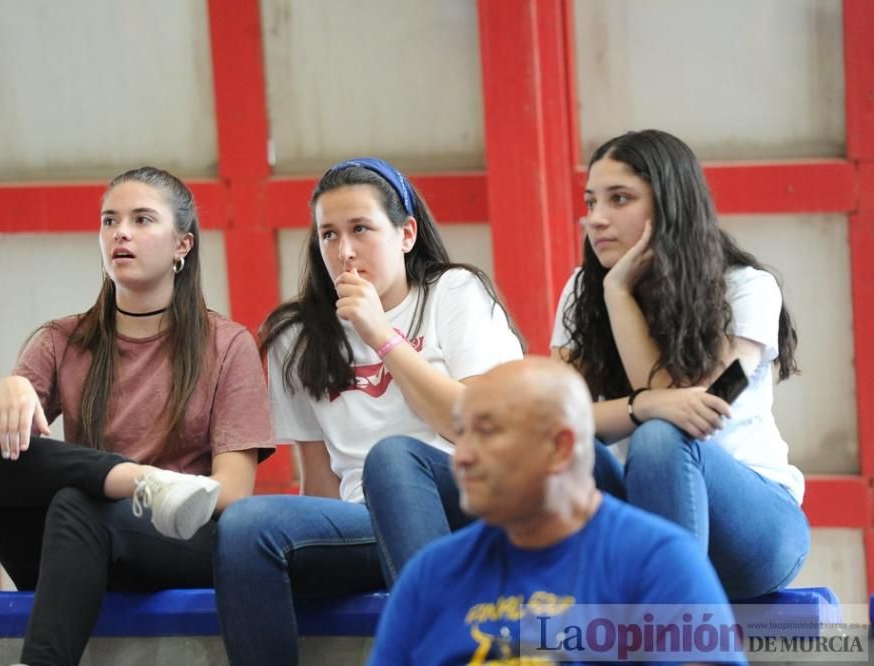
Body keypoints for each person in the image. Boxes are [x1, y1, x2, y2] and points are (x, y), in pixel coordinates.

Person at [0, 166, 274, 666]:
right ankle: (135, 479)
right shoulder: (60, 339)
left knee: (77, 502)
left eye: (141, 219)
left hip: (180, 546)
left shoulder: (227, 343)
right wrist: (11, 388)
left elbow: (235, 492)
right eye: (109, 220)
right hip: (75, 551)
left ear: (183, 245)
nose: (121, 232)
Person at [213, 157, 523, 665]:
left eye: (361, 229)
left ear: (406, 234)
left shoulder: (453, 293)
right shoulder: (296, 336)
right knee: (245, 526)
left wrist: (382, 336)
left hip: (466, 507)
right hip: (365, 524)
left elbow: (477, 429)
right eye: (329, 235)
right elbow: (319, 482)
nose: (345, 251)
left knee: (394, 458)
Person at [551, 129, 809, 599]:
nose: (596, 219)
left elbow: (708, 409)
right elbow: (556, 420)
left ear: (671, 204)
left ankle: (675, 635)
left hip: (754, 531)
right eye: (591, 203)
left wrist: (620, 296)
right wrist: (613, 296)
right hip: (639, 517)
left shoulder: (749, 288)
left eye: (620, 199)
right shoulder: (582, 291)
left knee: (663, 435)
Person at [369, 357, 745, 665]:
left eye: (486, 432)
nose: (462, 457)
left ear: (560, 448)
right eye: (461, 434)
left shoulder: (658, 562)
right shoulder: (430, 574)